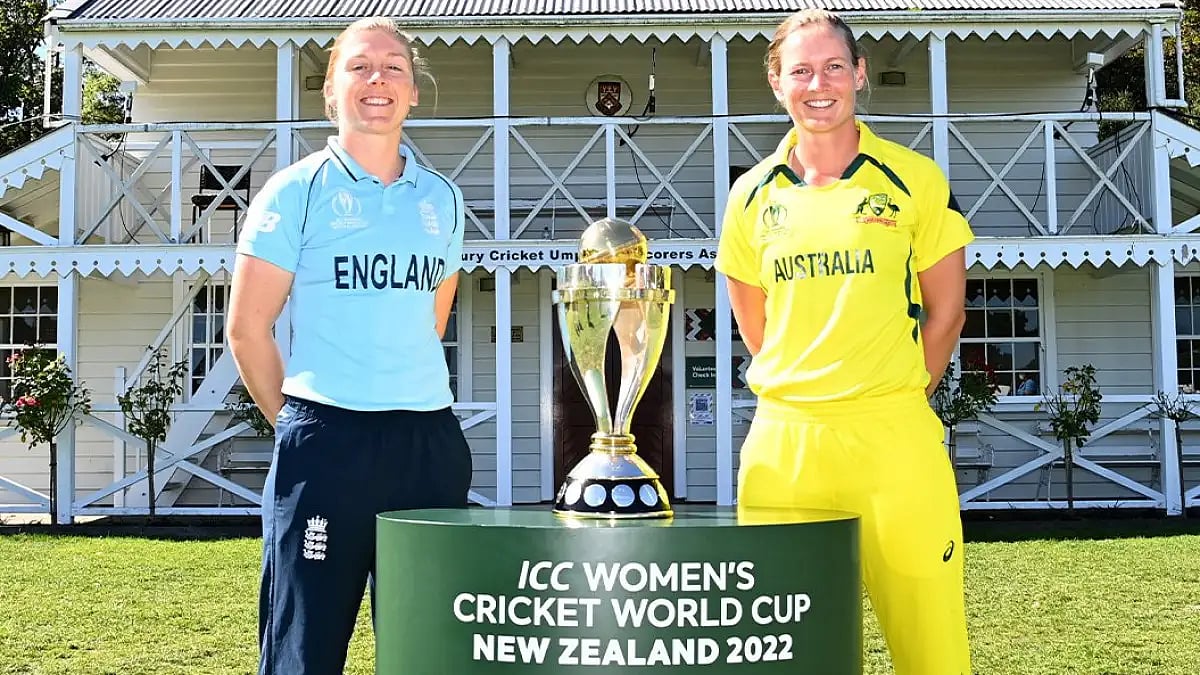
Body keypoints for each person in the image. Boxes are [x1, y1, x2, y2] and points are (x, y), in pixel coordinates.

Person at [715, 9, 973, 675]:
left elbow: (947, 313)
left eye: (834, 66)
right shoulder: (749, 197)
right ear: (777, 83)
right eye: (800, 69)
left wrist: (894, 394)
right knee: (789, 658)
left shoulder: (914, 178)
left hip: (894, 439)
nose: (818, 82)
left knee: (933, 653)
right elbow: (757, 328)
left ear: (859, 74)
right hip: (786, 445)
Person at [226, 17, 472, 675]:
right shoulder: (295, 192)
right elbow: (248, 329)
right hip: (326, 445)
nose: (379, 79)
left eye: (395, 66)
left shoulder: (443, 200)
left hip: (429, 447)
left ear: (414, 91)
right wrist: (301, 428)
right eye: (360, 66)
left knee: (431, 651)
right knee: (305, 651)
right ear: (330, 90)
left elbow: (431, 320)